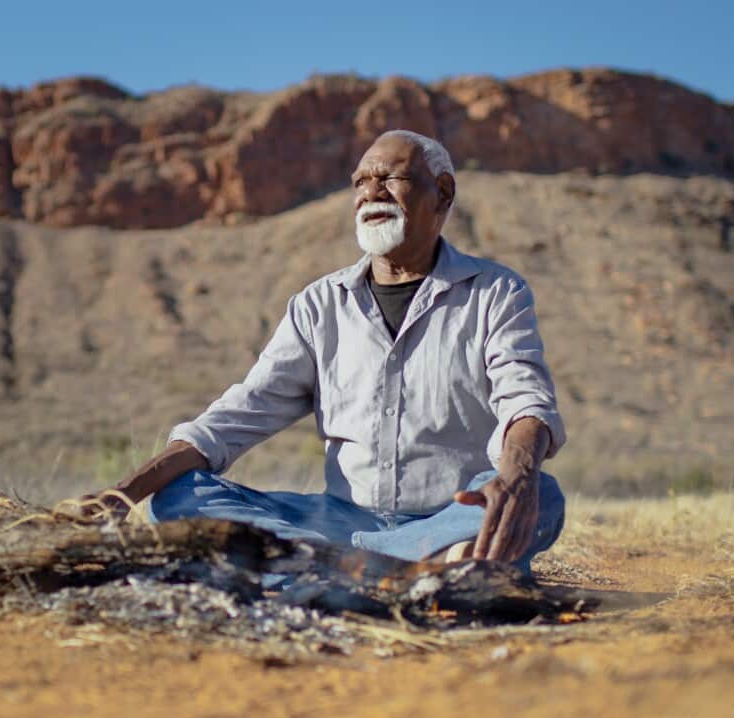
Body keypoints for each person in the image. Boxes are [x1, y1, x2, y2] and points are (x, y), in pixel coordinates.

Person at [86, 130, 566, 570]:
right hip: (339, 524)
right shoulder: (318, 305)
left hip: (447, 513)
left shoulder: (496, 292)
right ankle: (408, 570)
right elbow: (235, 417)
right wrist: (122, 494)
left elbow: (524, 397)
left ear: (443, 192)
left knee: (540, 494)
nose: (370, 192)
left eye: (389, 178)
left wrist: (516, 473)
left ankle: (318, 566)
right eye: (360, 181)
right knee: (178, 497)